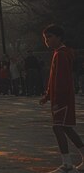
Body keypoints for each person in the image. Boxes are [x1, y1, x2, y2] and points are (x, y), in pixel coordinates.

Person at [40, 25, 84, 172]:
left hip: (62, 99)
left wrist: (57, 100)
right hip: (61, 98)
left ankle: (67, 165)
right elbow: (53, 79)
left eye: (50, 37)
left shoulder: (61, 54)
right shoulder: (59, 53)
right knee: (66, 128)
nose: (47, 41)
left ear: (59, 37)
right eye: (45, 38)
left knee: (57, 127)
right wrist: (47, 96)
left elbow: (62, 80)